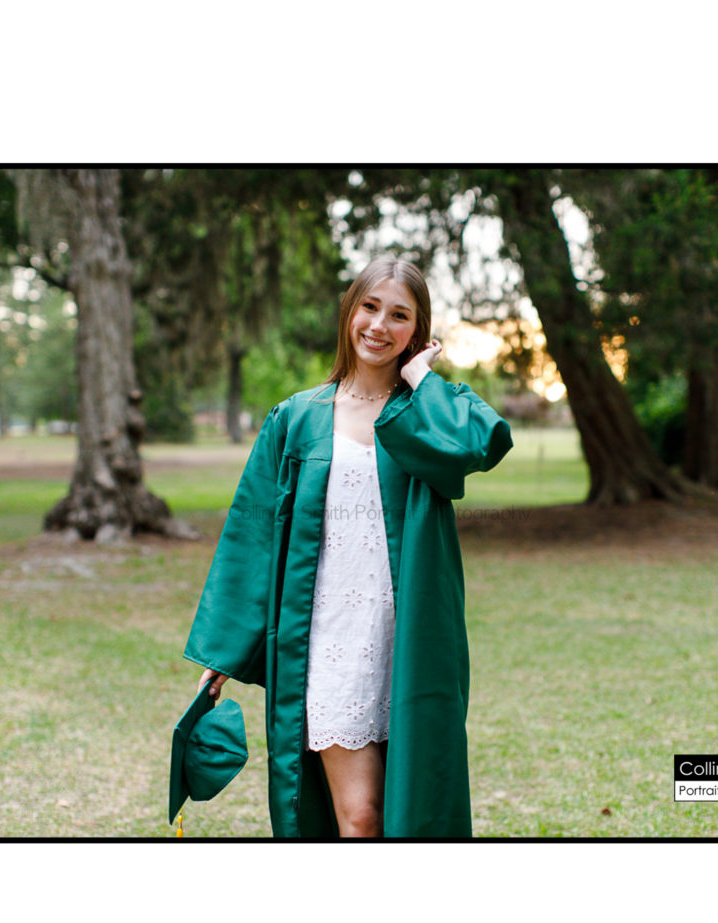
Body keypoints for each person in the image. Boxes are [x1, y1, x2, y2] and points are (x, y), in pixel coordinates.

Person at [184, 256, 513, 838]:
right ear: (349, 312)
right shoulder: (297, 418)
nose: (380, 326)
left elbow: (482, 442)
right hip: (329, 639)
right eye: (370, 307)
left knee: (408, 811)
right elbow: (252, 536)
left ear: (418, 330)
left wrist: (422, 379)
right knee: (361, 817)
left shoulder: (425, 414)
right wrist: (225, 650)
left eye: (399, 316)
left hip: (408, 639)